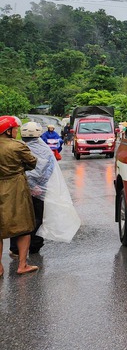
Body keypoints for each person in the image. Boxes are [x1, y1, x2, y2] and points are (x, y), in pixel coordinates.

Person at [9, 121, 56, 257]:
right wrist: (37, 186)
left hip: (20, 190)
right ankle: (35, 245)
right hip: (38, 191)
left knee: (18, 218)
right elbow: (49, 170)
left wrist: (29, 184)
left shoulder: (17, 147)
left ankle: (15, 248)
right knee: (37, 218)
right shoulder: (45, 150)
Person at [0, 115, 40, 275]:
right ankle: (22, 265)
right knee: (24, 226)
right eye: (15, 129)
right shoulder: (18, 146)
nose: (17, 131)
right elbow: (32, 163)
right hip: (16, 188)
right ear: (8, 131)